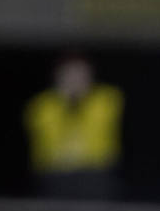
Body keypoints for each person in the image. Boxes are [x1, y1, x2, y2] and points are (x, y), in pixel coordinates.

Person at [23, 51, 124, 200]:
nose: (75, 79)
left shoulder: (106, 98)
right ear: (58, 76)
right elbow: (48, 139)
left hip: (96, 173)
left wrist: (83, 99)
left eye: (80, 73)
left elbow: (99, 128)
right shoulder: (41, 105)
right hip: (55, 174)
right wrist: (62, 101)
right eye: (69, 74)